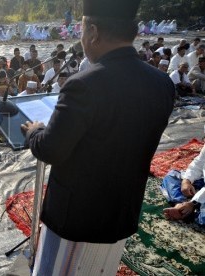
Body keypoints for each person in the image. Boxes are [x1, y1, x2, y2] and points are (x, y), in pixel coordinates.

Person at [21, 0, 174, 274]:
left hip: (76, 220)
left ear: (92, 32)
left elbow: (51, 150)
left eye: (80, 30)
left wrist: (34, 131)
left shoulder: (83, 84)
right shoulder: (162, 83)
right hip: (120, 211)